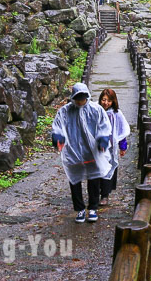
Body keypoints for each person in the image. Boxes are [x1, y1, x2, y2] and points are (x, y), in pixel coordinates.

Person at [52, 83, 111, 223]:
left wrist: (103, 140)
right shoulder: (65, 111)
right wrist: (58, 138)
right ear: (73, 98)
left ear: (87, 97)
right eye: (77, 98)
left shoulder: (96, 110)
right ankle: (79, 209)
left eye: (82, 98)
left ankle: (93, 208)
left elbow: (104, 126)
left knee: (94, 180)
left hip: (91, 151)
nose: (80, 101)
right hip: (73, 152)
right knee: (75, 180)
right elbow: (58, 127)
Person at [97, 88, 130, 206]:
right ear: (100, 99)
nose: (106, 103)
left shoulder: (116, 114)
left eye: (109, 101)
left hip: (110, 148)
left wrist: (123, 146)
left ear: (113, 101)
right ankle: (96, 192)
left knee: (107, 169)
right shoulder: (96, 111)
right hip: (97, 146)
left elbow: (122, 131)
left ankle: (104, 195)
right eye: (104, 100)